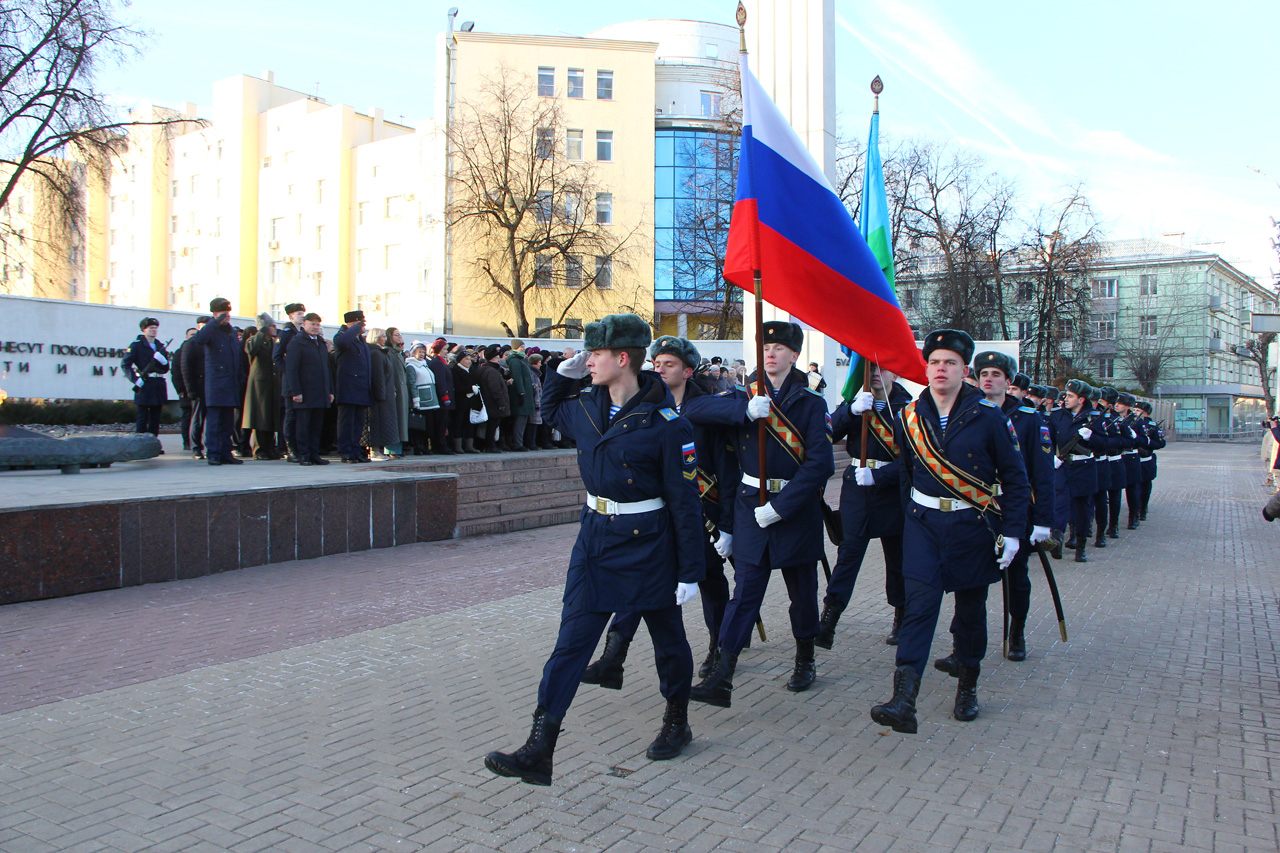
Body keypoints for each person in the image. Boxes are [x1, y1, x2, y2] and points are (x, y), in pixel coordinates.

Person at [483, 314, 705, 785]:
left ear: (622, 358)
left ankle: (677, 721)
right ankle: (540, 747)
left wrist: (691, 570)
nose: (587, 362)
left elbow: (685, 501)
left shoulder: (667, 424)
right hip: (595, 540)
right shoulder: (586, 406)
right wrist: (561, 373)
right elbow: (551, 405)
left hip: (650, 544)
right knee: (570, 645)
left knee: (668, 642)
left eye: (595, 354)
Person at [868, 329, 1028, 733]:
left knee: (970, 612)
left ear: (964, 371)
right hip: (923, 527)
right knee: (919, 609)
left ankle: (968, 685)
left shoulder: (988, 416)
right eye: (935, 362)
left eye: (950, 363)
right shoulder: (909, 416)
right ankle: (903, 697)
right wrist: (910, 518)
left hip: (971, 526)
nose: (941, 369)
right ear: (926, 368)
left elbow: (1016, 477)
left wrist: (1012, 532)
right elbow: (907, 474)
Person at [685, 321, 834, 708]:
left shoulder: (812, 403)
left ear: (795, 355)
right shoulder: (743, 396)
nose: (771, 353)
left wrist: (782, 507)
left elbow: (820, 465)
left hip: (795, 511)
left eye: (780, 347)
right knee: (745, 594)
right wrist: (744, 412)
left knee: (802, 594)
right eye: (766, 346)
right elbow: (694, 407)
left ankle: (805, 659)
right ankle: (723, 673)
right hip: (751, 505)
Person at [580, 335, 739, 688]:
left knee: (712, 582)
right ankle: (613, 655)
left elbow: (726, 472)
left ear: (688, 370)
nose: (660, 369)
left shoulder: (708, 410)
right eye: (657, 363)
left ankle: (717, 647)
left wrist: (726, 525)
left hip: (703, 513)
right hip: (657, 518)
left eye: (669, 364)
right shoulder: (646, 405)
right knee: (641, 586)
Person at [946, 350, 1052, 664]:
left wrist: (1043, 520)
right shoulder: (964, 411)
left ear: (1008, 381)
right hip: (976, 509)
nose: (989, 379)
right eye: (984, 374)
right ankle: (962, 641)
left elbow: (1043, 474)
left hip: (1013, 508)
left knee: (1017, 576)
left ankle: (1016, 629)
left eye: (996, 374)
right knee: (968, 577)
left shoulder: (1030, 420)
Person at [818, 362, 911, 650]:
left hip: (892, 490)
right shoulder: (856, 402)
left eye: (882, 369)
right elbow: (826, 435)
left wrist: (881, 475)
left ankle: (901, 615)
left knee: (897, 559)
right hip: (857, 488)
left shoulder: (909, 409)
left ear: (895, 373)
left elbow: (914, 462)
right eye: (870, 368)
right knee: (849, 553)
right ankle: (829, 618)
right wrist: (850, 411)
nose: (874, 373)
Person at [190, 299, 247, 466]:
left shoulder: (230, 332)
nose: (227, 316)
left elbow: (237, 356)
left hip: (231, 382)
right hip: (216, 383)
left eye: (228, 313)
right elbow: (199, 339)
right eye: (223, 313)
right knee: (214, 421)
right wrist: (214, 322)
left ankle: (225, 452)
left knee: (228, 422)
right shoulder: (211, 330)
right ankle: (213, 453)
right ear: (215, 314)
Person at [1051, 380, 1100, 563]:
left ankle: (1081, 547)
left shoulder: (1093, 418)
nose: (1066, 398)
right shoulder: (1057, 416)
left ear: (1081, 399)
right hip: (1062, 466)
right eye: (1066, 395)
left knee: (1082, 508)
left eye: (1070, 396)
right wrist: (1051, 458)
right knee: (1059, 502)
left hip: (1084, 468)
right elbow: (1046, 441)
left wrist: (1091, 437)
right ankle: (1057, 538)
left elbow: (1107, 444)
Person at [284, 313, 333, 466]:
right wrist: (296, 391)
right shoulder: (297, 342)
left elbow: (327, 369)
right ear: (304, 324)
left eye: (318, 325)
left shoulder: (320, 342)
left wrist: (330, 390)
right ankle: (303, 454)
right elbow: (291, 369)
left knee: (316, 426)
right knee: (303, 426)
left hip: (319, 392)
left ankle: (314, 454)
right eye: (312, 324)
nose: (315, 327)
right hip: (304, 392)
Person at [121, 317, 171, 439]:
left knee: (155, 416)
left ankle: (153, 442)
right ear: (144, 330)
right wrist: (135, 379)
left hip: (157, 383)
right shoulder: (137, 345)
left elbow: (165, 369)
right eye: (151, 328)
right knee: (143, 415)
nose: (154, 330)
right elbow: (125, 364)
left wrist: (163, 361)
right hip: (144, 382)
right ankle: (140, 442)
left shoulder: (160, 346)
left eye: (155, 328)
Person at [334, 311, 372, 463]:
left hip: (361, 388)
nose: (363, 326)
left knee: (358, 423)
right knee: (347, 422)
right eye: (361, 323)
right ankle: (346, 451)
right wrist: (355, 328)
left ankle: (356, 450)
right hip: (348, 387)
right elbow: (342, 343)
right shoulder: (342, 336)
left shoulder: (361, 340)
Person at [241, 313, 282, 459]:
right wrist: (261, 332)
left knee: (270, 418)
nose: (275, 328)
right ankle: (260, 450)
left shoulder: (272, 342)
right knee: (260, 419)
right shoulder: (253, 341)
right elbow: (251, 350)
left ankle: (270, 448)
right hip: (259, 387)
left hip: (272, 385)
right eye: (272, 326)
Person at [273, 303, 307, 461]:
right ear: (291, 316)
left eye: (303, 313)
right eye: (299, 313)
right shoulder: (286, 333)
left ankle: (300, 448)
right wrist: (289, 371)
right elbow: (277, 357)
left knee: (301, 416)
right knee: (291, 415)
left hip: (302, 380)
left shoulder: (301, 332)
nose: (302, 316)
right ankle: (290, 449)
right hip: (290, 382)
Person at [363, 328, 399, 460]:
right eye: (382, 336)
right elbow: (378, 376)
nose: (385, 339)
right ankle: (374, 450)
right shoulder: (376, 353)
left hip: (386, 393)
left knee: (385, 422)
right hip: (379, 395)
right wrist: (381, 394)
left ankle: (379, 450)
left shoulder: (382, 352)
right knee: (377, 423)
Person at [181, 315, 212, 459]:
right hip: (199, 386)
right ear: (198, 326)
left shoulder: (212, 342)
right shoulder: (191, 343)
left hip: (213, 385)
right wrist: (190, 390)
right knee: (198, 419)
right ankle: (196, 447)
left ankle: (212, 446)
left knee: (213, 419)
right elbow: (186, 368)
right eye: (203, 325)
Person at [475, 345, 511, 453]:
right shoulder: (491, 371)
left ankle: (488, 445)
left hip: (489, 402)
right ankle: (490, 445)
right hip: (493, 403)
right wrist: (501, 402)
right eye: (497, 357)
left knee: (491, 425)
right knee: (492, 425)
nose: (499, 359)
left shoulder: (486, 369)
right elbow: (495, 389)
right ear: (493, 358)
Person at [1136, 400, 1165, 519]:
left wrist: (1148, 442)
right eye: (1134, 410)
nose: (1135, 412)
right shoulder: (1131, 424)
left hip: (1146, 460)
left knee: (1145, 486)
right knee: (1134, 487)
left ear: (1146, 413)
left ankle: (1143, 507)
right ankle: (1136, 509)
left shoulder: (1152, 426)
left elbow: (1161, 443)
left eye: (1138, 411)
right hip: (1134, 459)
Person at [426, 339, 455, 454]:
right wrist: (445, 396)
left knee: (443, 423)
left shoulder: (441, 362)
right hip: (442, 399)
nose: (446, 351)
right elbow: (440, 381)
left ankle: (442, 445)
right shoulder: (437, 363)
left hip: (444, 398)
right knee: (440, 423)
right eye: (444, 349)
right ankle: (440, 446)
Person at [170, 327, 197, 451]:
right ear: (186, 336)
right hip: (185, 391)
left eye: (195, 334)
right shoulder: (180, 352)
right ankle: (186, 442)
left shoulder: (200, 350)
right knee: (187, 416)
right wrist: (180, 390)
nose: (193, 336)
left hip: (198, 389)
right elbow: (176, 372)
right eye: (191, 334)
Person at [449, 348, 480, 453]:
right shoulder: (455, 370)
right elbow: (456, 387)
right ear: (460, 360)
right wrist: (470, 389)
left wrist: (475, 388)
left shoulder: (471, 370)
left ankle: (469, 445)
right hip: (461, 402)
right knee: (459, 423)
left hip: (471, 401)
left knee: (469, 423)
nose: (469, 361)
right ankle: (458, 445)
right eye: (466, 359)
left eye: (470, 359)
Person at [506, 339, 535, 452]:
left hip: (526, 394)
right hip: (521, 395)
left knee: (523, 420)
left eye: (524, 346)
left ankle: (520, 442)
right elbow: (517, 378)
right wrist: (521, 392)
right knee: (519, 420)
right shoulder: (515, 361)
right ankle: (517, 443)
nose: (523, 349)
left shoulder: (521, 360)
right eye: (521, 347)